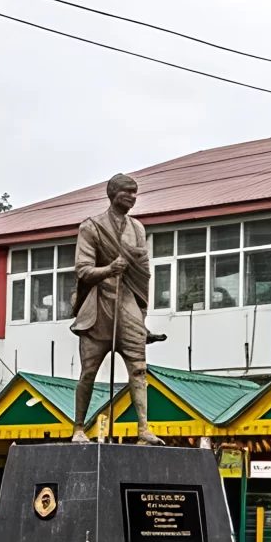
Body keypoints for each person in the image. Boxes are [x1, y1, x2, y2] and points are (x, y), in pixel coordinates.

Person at [70, 173, 164, 446]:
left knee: (139, 368)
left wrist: (142, 311)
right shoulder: (92, 227)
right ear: (113, 194)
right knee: (89, 371)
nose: (133, 198)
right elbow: (83, 270)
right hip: (98, 306)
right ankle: (78, 428)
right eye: (127, 192)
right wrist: (110, 269)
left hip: (128, 304)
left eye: (135, 193)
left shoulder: (138, 228)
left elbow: (142, 272)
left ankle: (144, 428)